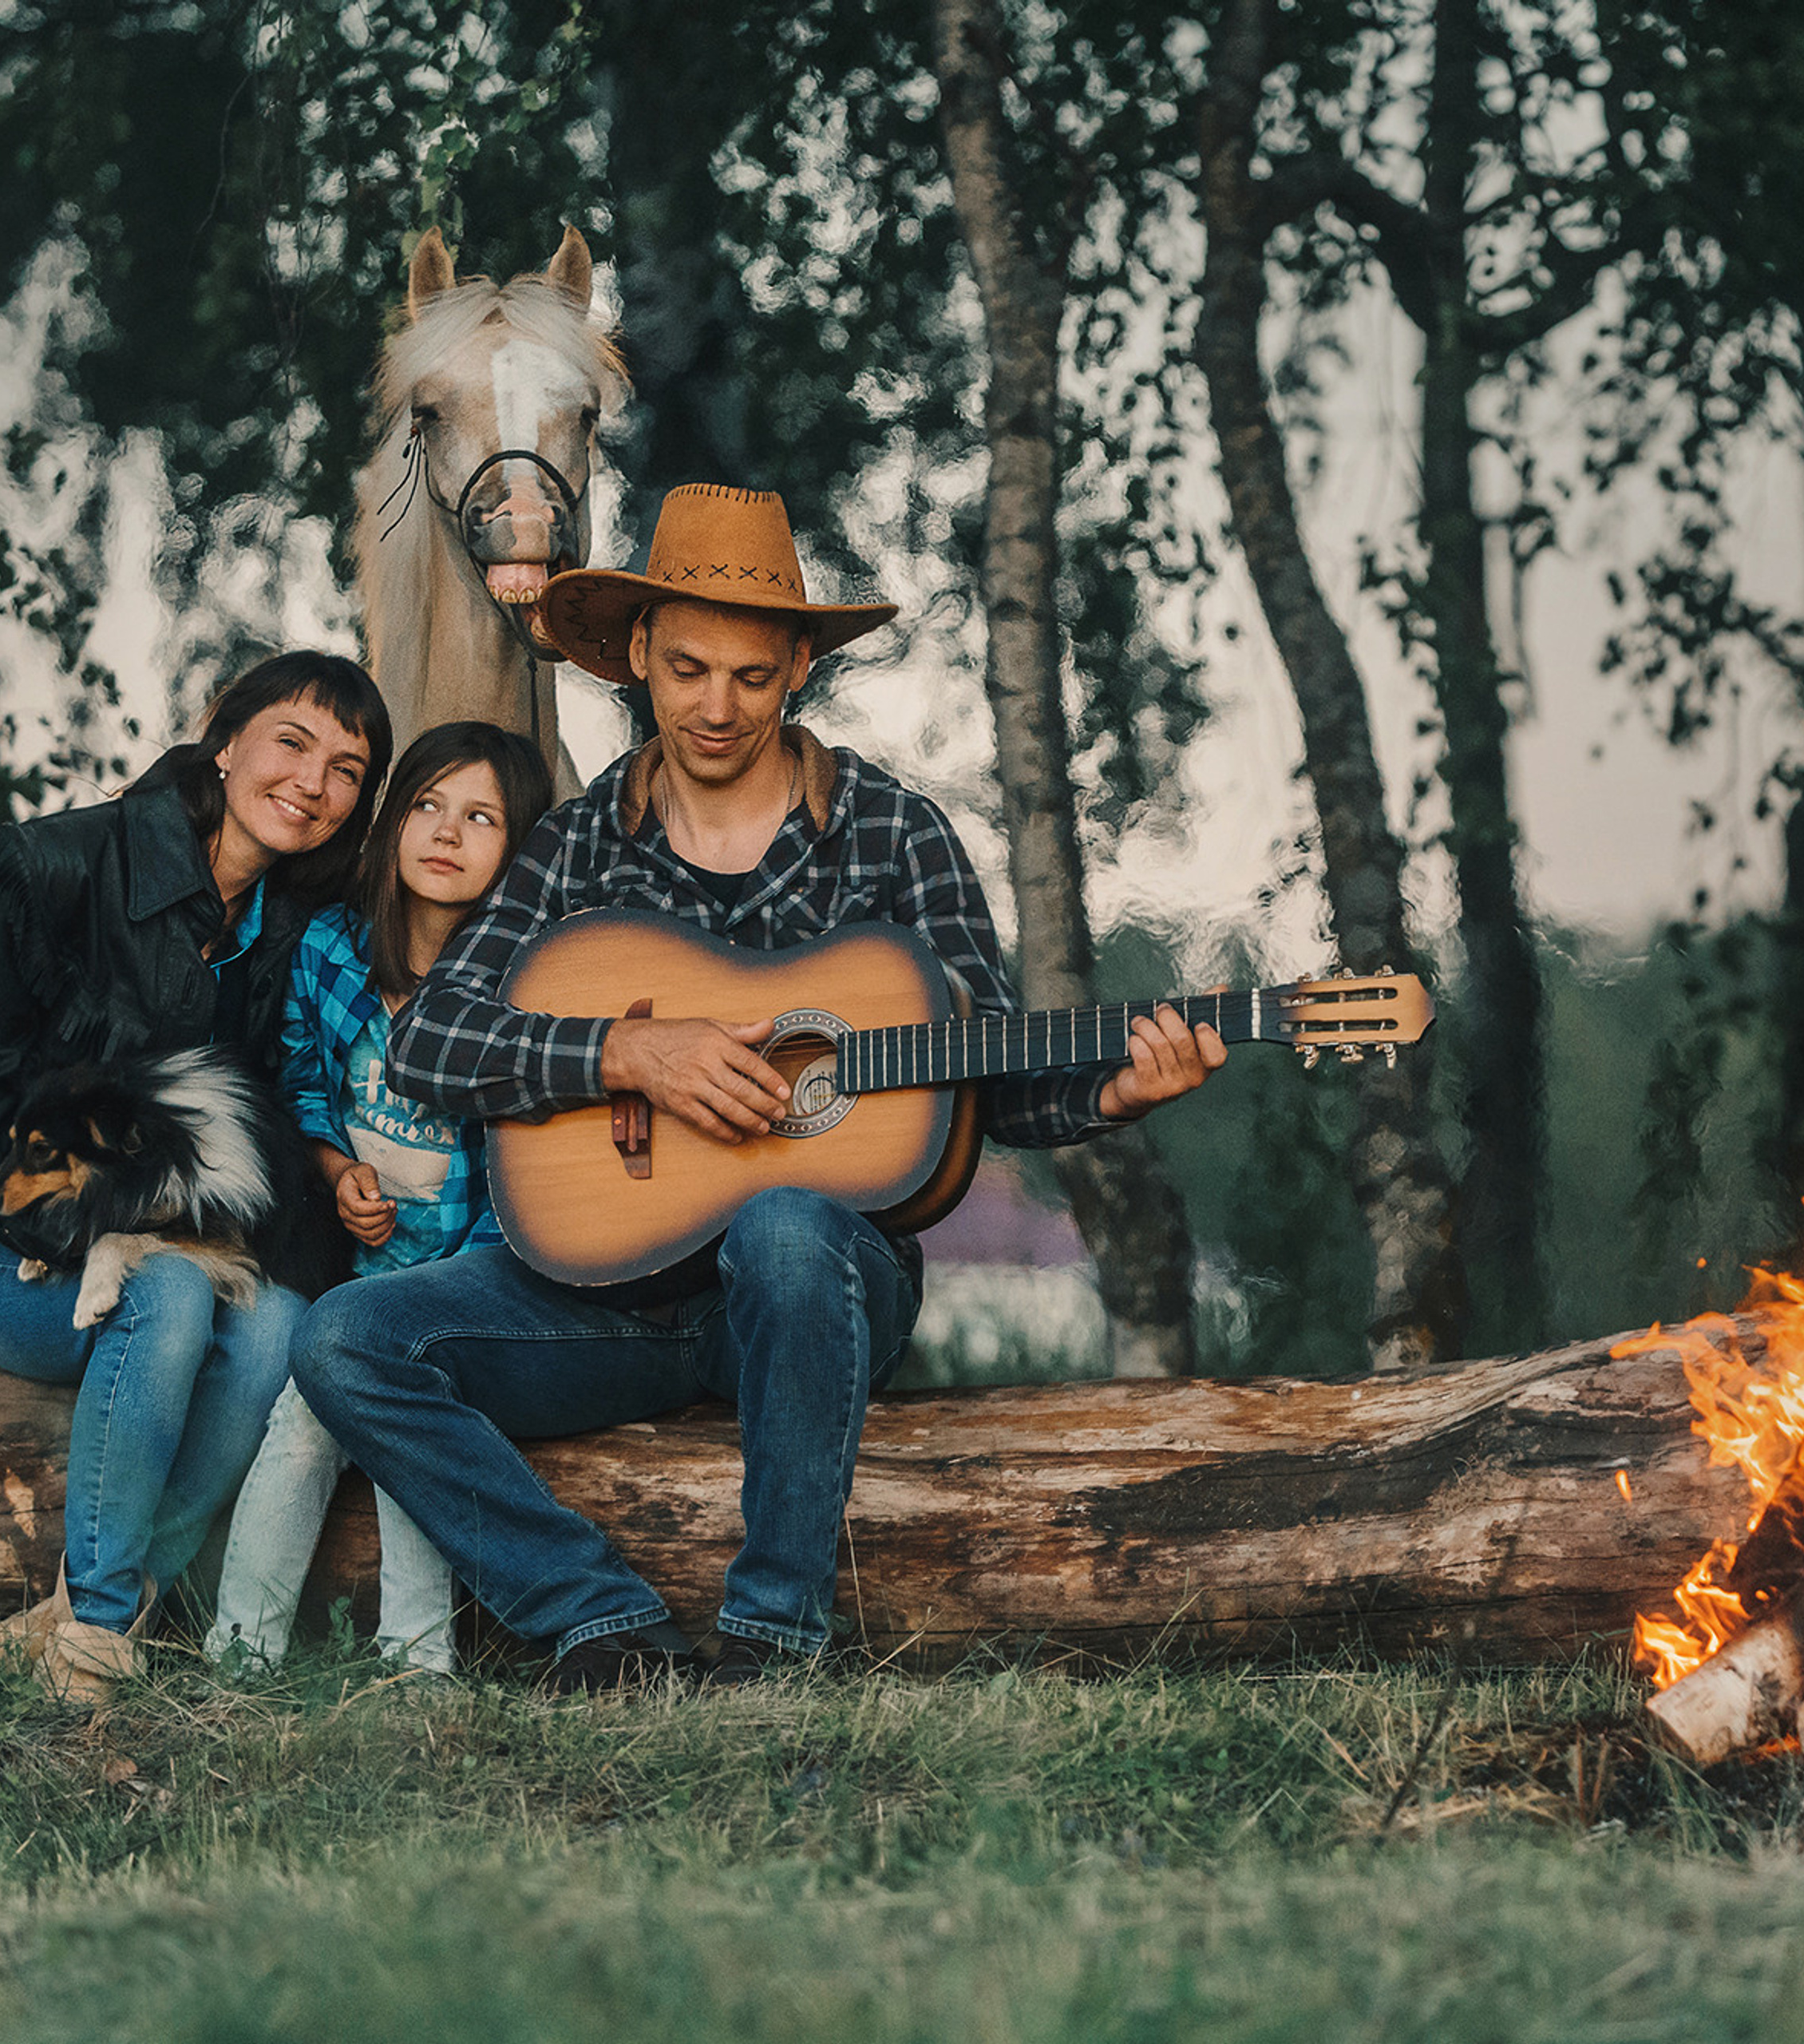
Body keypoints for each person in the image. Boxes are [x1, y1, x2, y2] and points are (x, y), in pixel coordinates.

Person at [290, 485, 1225, 1694]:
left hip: (813, 1295)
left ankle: (773, 1643)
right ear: (638, 654)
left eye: (751, 676)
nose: (717, 707)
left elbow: (991, 1083)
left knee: (785, 1223)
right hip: (604, 1294)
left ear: (798, 670)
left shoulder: (893, 833)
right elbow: (432, 1044)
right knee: (347, 1339)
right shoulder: (577, 844)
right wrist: (628, 1055)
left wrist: (1116, 1095)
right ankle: (599, 1622)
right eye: (687, 671)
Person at [0, 651, 393, 1697]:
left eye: (348, 769)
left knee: (278, 1326)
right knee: (163, 1292)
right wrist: (91, 1237)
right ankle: (96, 1641)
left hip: (154, 1243)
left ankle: (115, 1603)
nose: (313, 782)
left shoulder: (295, 928)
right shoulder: (47, 868)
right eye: (292, 741)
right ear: (225, 740)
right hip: (2, 1242)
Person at [204, 722, 553, 1678]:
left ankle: (401, 1660)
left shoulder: (526, 990)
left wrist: (455, 1287)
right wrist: (333, 1170)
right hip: (349, 1274)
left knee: (401, 1404)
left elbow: (525, 1170)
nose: (445, 832)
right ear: (393, 818)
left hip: (461, 1285)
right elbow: (300, 1079)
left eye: (481, 817)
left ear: (519, 850)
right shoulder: (332, 949)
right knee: (308, 1417)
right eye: (427, 805)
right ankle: (253, 1653)